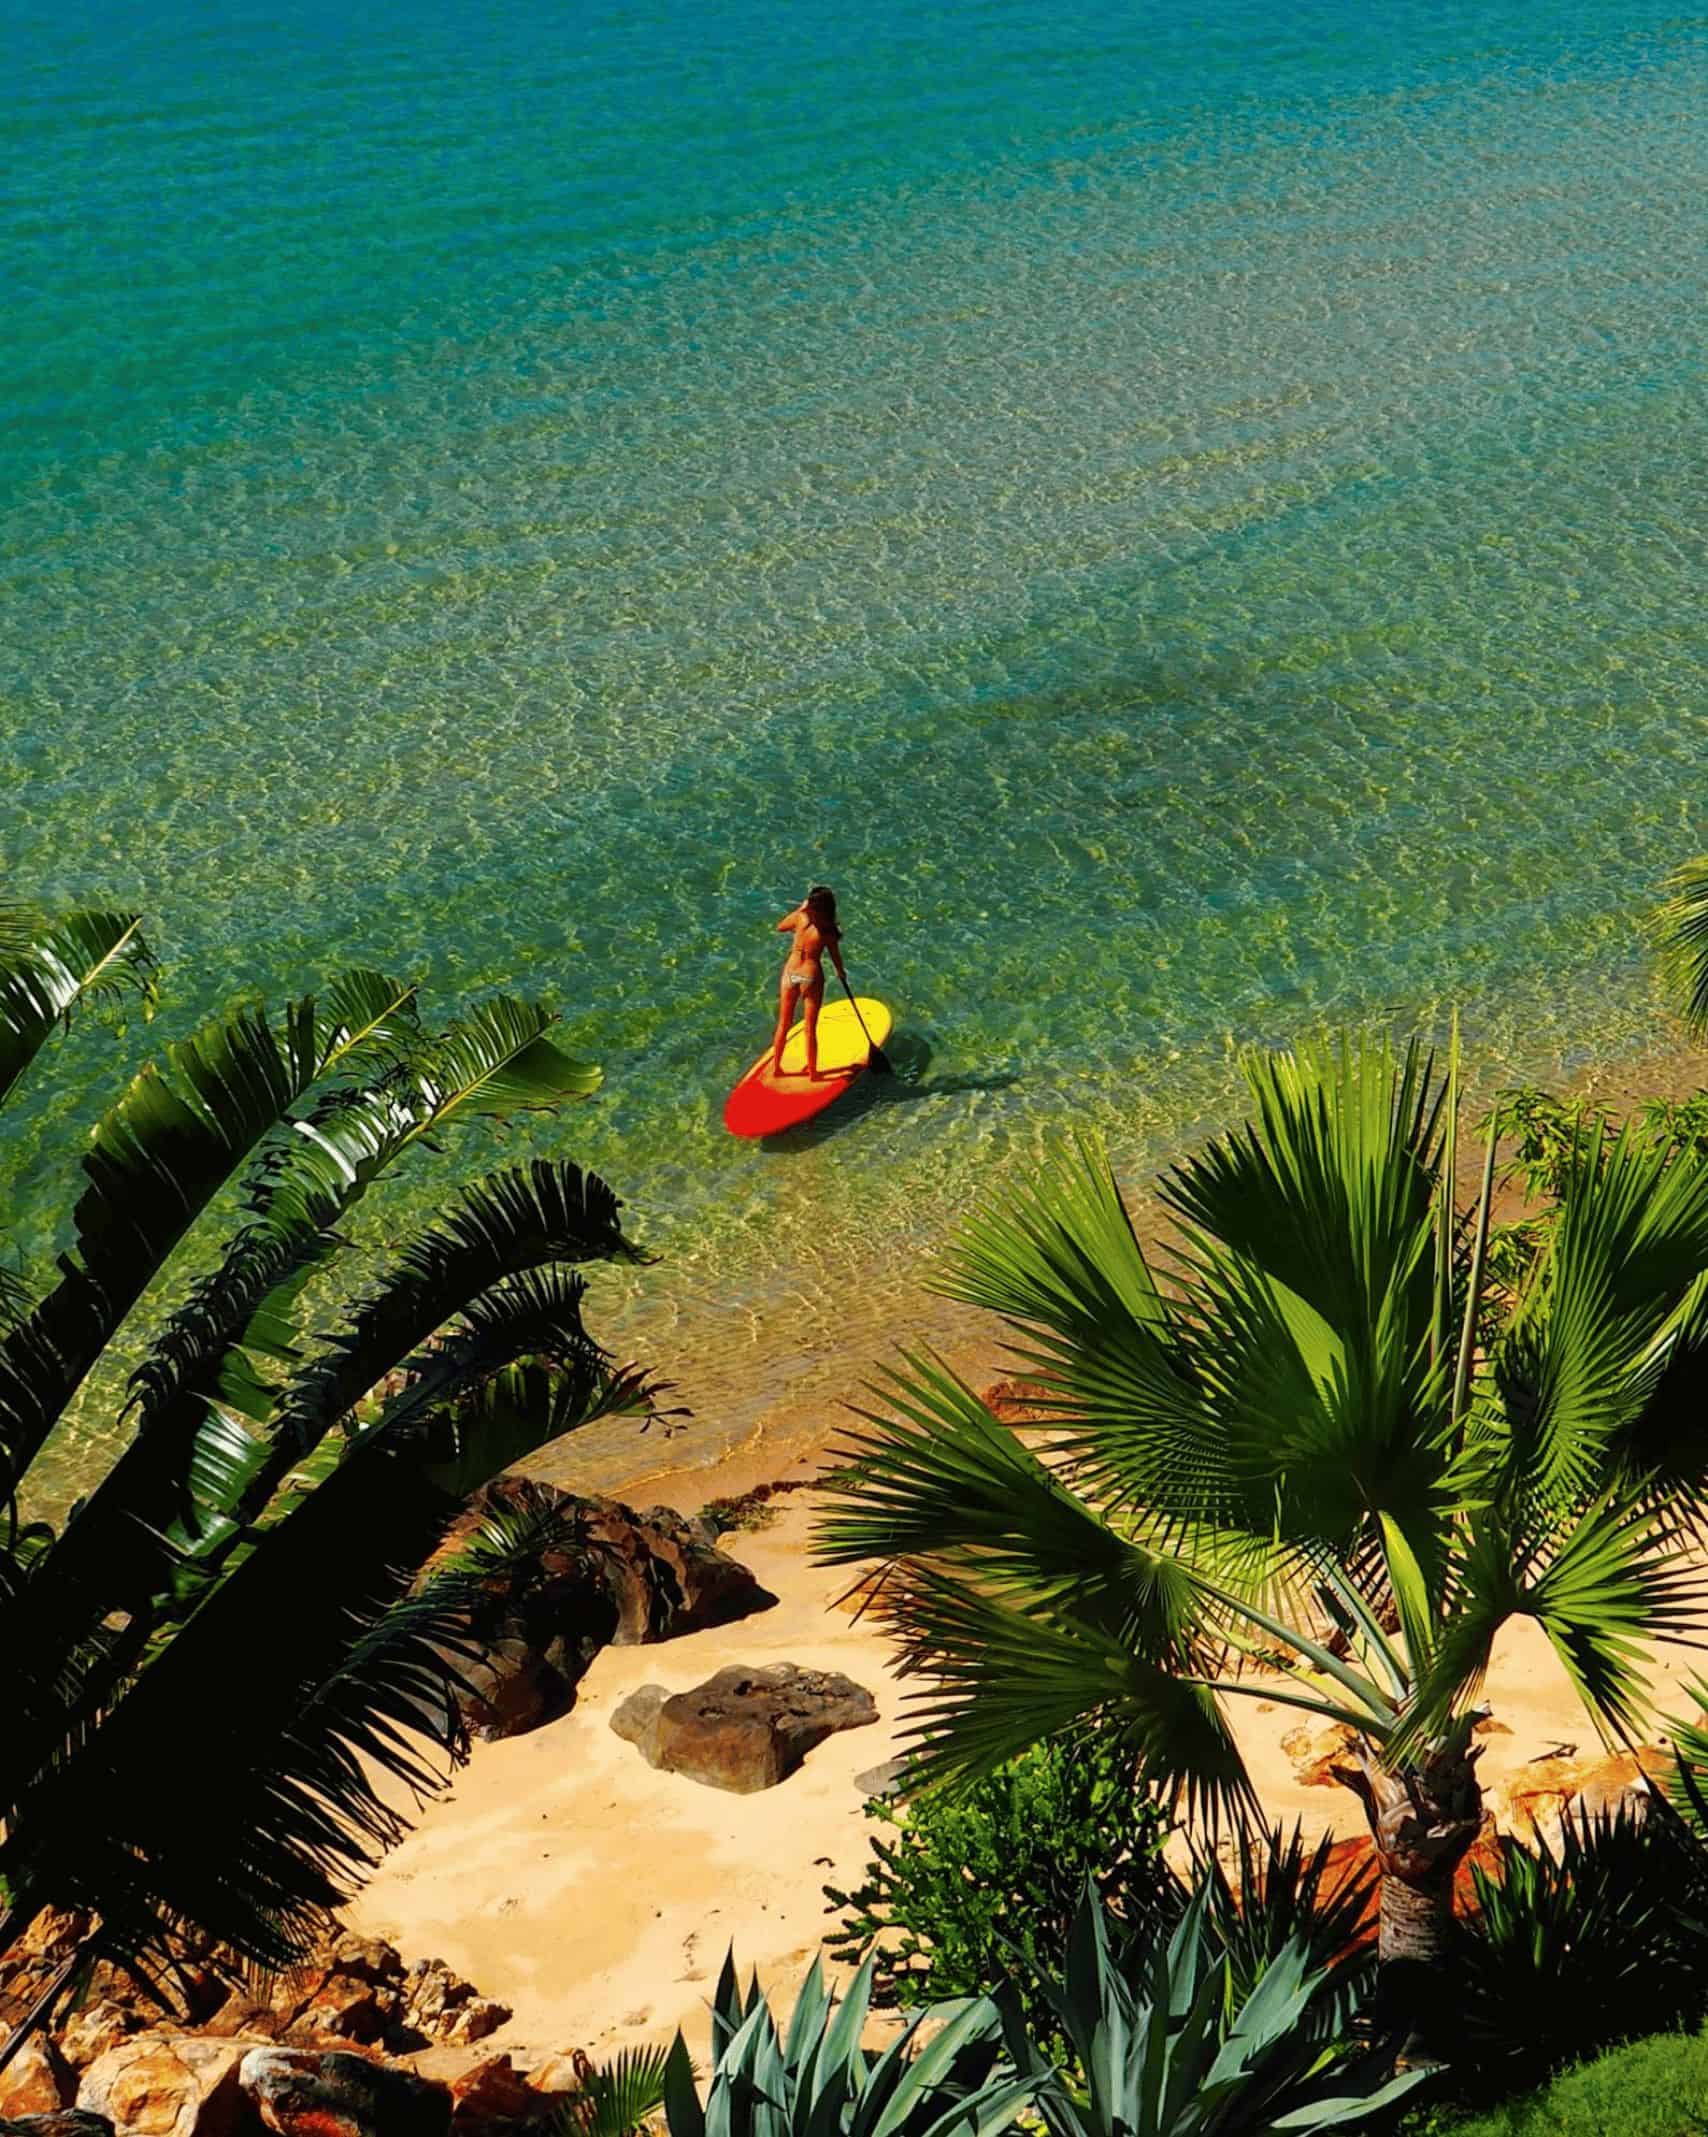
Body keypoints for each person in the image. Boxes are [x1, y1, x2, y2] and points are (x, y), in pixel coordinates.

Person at [771, 884, 852, 1080]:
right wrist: (841, 972)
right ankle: (813, 1072)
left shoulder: (800, 918)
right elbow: (835, 957)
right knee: (809, 1027)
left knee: (784, 1023)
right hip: (809, 975)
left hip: (791, 974)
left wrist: (800, 909)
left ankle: (777, 1068)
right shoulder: (828, 930)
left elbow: (780, 926)